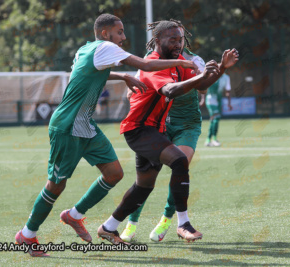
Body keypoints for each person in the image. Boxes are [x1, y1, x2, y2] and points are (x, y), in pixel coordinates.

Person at [14, 14, 199, 257]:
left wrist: (122, 76)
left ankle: (74, 214)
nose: (123, 37)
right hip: (67, 126)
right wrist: (182, 64)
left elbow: (88, 72)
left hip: (86, 125)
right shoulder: (106, 47)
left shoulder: (86, 49)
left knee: (114, 174)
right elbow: (144, 65)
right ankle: (26, 235)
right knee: (56, 185)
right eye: (120, 32)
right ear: (105, 34)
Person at [97, 20, 239, 244]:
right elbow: (170, 91)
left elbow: (201, 86)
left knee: (143, 186)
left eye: (180, 39)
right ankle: (183, 223)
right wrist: (200, 75)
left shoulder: (180, 61)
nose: (178, 43)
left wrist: (221, 68)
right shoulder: (152, 63)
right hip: (139, 129)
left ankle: (108, 227)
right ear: (157, 40)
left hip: (154, 130)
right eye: (172, 39)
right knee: (180, 161)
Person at [200, 73, 232, 147]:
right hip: (210, 100)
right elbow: (204, 87)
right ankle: (214, 139)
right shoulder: (211, 75)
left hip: (218, 101)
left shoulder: (226, 77)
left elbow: (228, 91)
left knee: (213, 120)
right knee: (216, 118)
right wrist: (203, 99)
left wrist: (229, 103)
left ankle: (208, 139)